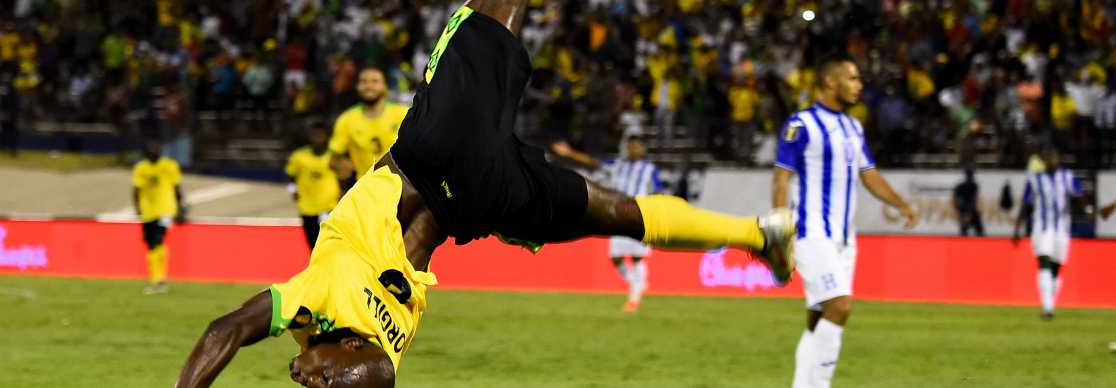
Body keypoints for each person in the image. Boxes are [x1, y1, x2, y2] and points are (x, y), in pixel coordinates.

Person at [175, 2, 796, 387]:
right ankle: (757, 235)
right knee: (490, 14)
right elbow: (221, 331)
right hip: (440, 161)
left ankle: (757, 235)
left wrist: (321, 360)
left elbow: (237, 335)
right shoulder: (322, 302)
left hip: (479, 206)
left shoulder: (365, 340)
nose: (307, 379)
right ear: (349, 343)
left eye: (319, 381)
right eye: (324, 381)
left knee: (614, 214)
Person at [773, 55, 918, 388]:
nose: (859, 85)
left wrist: (901, 204)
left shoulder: (854, 127)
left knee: (817, 319)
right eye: (852, 78)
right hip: (811, 233)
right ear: (830, 82)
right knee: (840, 307)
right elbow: (780, 178)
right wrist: (779, 229)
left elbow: (869, 174)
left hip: (844, 239)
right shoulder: (801, 124)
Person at [552, 134, 660, 312]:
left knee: (637, 257)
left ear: (643, 149)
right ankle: (638, 284)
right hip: (617, 215)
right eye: (631, 146)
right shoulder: (618, 165)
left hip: (639, 215)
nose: (633, 149)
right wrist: (570, 153)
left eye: (637, 146)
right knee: (616, 258)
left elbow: (658, 191)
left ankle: (634, 297)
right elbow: (593, 162)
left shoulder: (649, 169)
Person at [1012, 146, 1083, 321]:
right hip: (1041, 229)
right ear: (1043, 161)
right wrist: (1017, 228)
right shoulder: (1035, 180)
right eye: (1047, 157)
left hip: (1062, 230)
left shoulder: (1068, 178)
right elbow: (1026, 205)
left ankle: (1050, 303)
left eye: (1053, 156)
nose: (1050, 160)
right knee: (1043, 262)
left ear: (1059, 159)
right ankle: (1047, 307)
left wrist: (1083, 206)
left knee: (1055, 270)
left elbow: (1080, 197)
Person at [328, 67, 410, 188]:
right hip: (366, 190)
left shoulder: (403, 114)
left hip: (403, 188)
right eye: (363, 81)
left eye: (374, 81)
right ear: (357, 87)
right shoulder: (346, 119)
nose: (368, 86)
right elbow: (334, 160)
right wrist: (350, 170)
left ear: (385, 86)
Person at [133, 140, 186, 295]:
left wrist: (181, 208)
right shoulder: (141, 168)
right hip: (148, 212)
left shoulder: (170, 166)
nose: (153, 150)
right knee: (150, 244)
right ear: (145, 152)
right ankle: (155, 279)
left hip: (166, 210)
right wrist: (137, 208)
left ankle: (160, 278)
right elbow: (136, 190)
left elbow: (177, 188)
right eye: (150, 148)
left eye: (156, 147)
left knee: (158, 239)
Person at [285, 127, 341, 250]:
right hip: (307, 206)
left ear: (327, 138)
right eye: (315, 136)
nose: (317, 140)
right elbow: (291, 175)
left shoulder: (333, 157)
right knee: (312, 242)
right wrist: (292, 190)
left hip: (328, 207)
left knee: (328, 243)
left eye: (320, 137)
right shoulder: (299, 156)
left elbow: (344, 177)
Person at [954, 168, 984, 237]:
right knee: (966, 230)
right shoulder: (964, 186)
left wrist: (959, 208)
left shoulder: (973, 185)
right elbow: (956, 198)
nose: (971, 176)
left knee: (975, 230)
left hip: (968, 210)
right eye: (970, 174)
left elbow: (974, 199)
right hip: (967, 210)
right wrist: (960, 208)